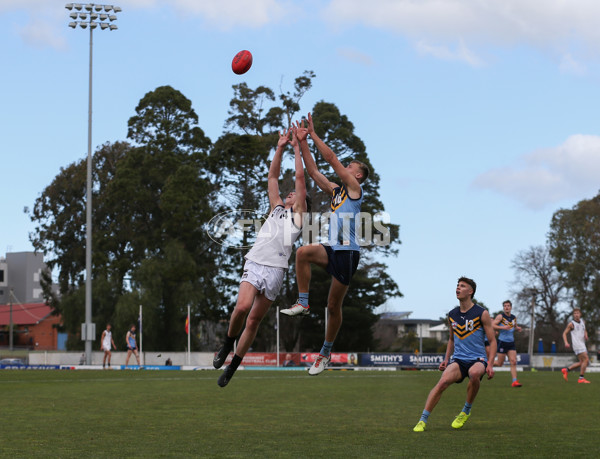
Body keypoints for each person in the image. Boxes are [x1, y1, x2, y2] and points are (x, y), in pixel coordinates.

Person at [213, 128, 308, 387]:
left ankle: (232, 368)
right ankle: (226, 344)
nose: (290, 193)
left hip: (276, 270)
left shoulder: (299, 217)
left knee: (254, 320)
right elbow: (273, 176)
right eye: (288, 193)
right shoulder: (277, 207)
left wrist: (298, 147)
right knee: (242, 308)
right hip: (255, 261)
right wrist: (280, 147)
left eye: (294, 194)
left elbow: (300, 176)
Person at [280, 113, 369, 376]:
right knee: (303, 252)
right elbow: (314, 171)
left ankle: (325, 352)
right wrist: (302, 141)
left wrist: (314, 134)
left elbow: (330, 159)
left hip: (348, 253)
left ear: (358, 174)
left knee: (333, 306)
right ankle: (304, 303)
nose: (347, 167)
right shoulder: (337, 191)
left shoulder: (355, 188)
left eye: (350, 166)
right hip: (332, 247)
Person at [413, 277, 496, 432]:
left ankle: (466, 411)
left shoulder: (481, 313)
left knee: (474, 373)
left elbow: (492, 341)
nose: (458, 288)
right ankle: (422, 420)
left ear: (470, 291)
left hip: (478, 359)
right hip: (458, 360)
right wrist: (446, 360)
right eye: (457, 285)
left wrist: (490, 364)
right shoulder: (452, 314)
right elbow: (451, 339)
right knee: (442, 382)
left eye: (462, 286)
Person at [492, 300, 522, 387]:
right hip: (502, 342)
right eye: (505, 306)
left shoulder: (513, 317)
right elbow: (493, 325)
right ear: (503, 307)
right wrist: (503, 327)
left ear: (511, 307)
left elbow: (514, 326)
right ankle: (487, 363)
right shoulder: (500, 316)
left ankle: (514, 381)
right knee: (499, 363)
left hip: (511, 342)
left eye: (508, 306)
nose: (506, 307)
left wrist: (518, 328)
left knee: (513, 361)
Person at [561, 308, 590, 384]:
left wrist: (586, 335)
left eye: (577, 313)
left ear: (580, 314)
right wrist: (566, 342)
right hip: (577, 345)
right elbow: (564, 333)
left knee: (581, 362)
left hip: (582, 344)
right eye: (575, 313)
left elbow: (585, 330)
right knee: (586, 359)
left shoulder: (582, 322)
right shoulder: (571, 324)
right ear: (573, 315)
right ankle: (581, 378)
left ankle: (566, 370)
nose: (576, 315)